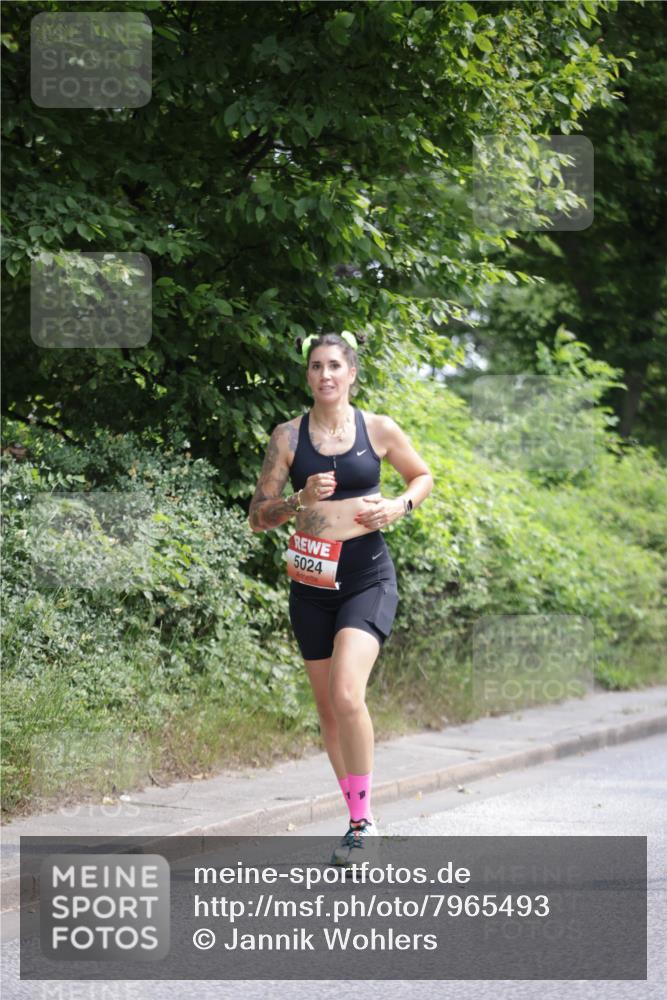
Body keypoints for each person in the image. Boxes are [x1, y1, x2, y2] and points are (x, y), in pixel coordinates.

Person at [248, 331, 433, 866]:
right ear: (307, 376)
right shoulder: (287, 437)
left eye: (334, 365)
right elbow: (258, 517)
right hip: (310, 586)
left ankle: (364, 820)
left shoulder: (377, 429)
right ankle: (357, 818)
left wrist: (399, 507)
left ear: (351, 372)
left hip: (366, 578)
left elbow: (421, 476)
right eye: (315, 367)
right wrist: (295, 500)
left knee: (348, 694)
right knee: (328, 709)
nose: (324, 375)